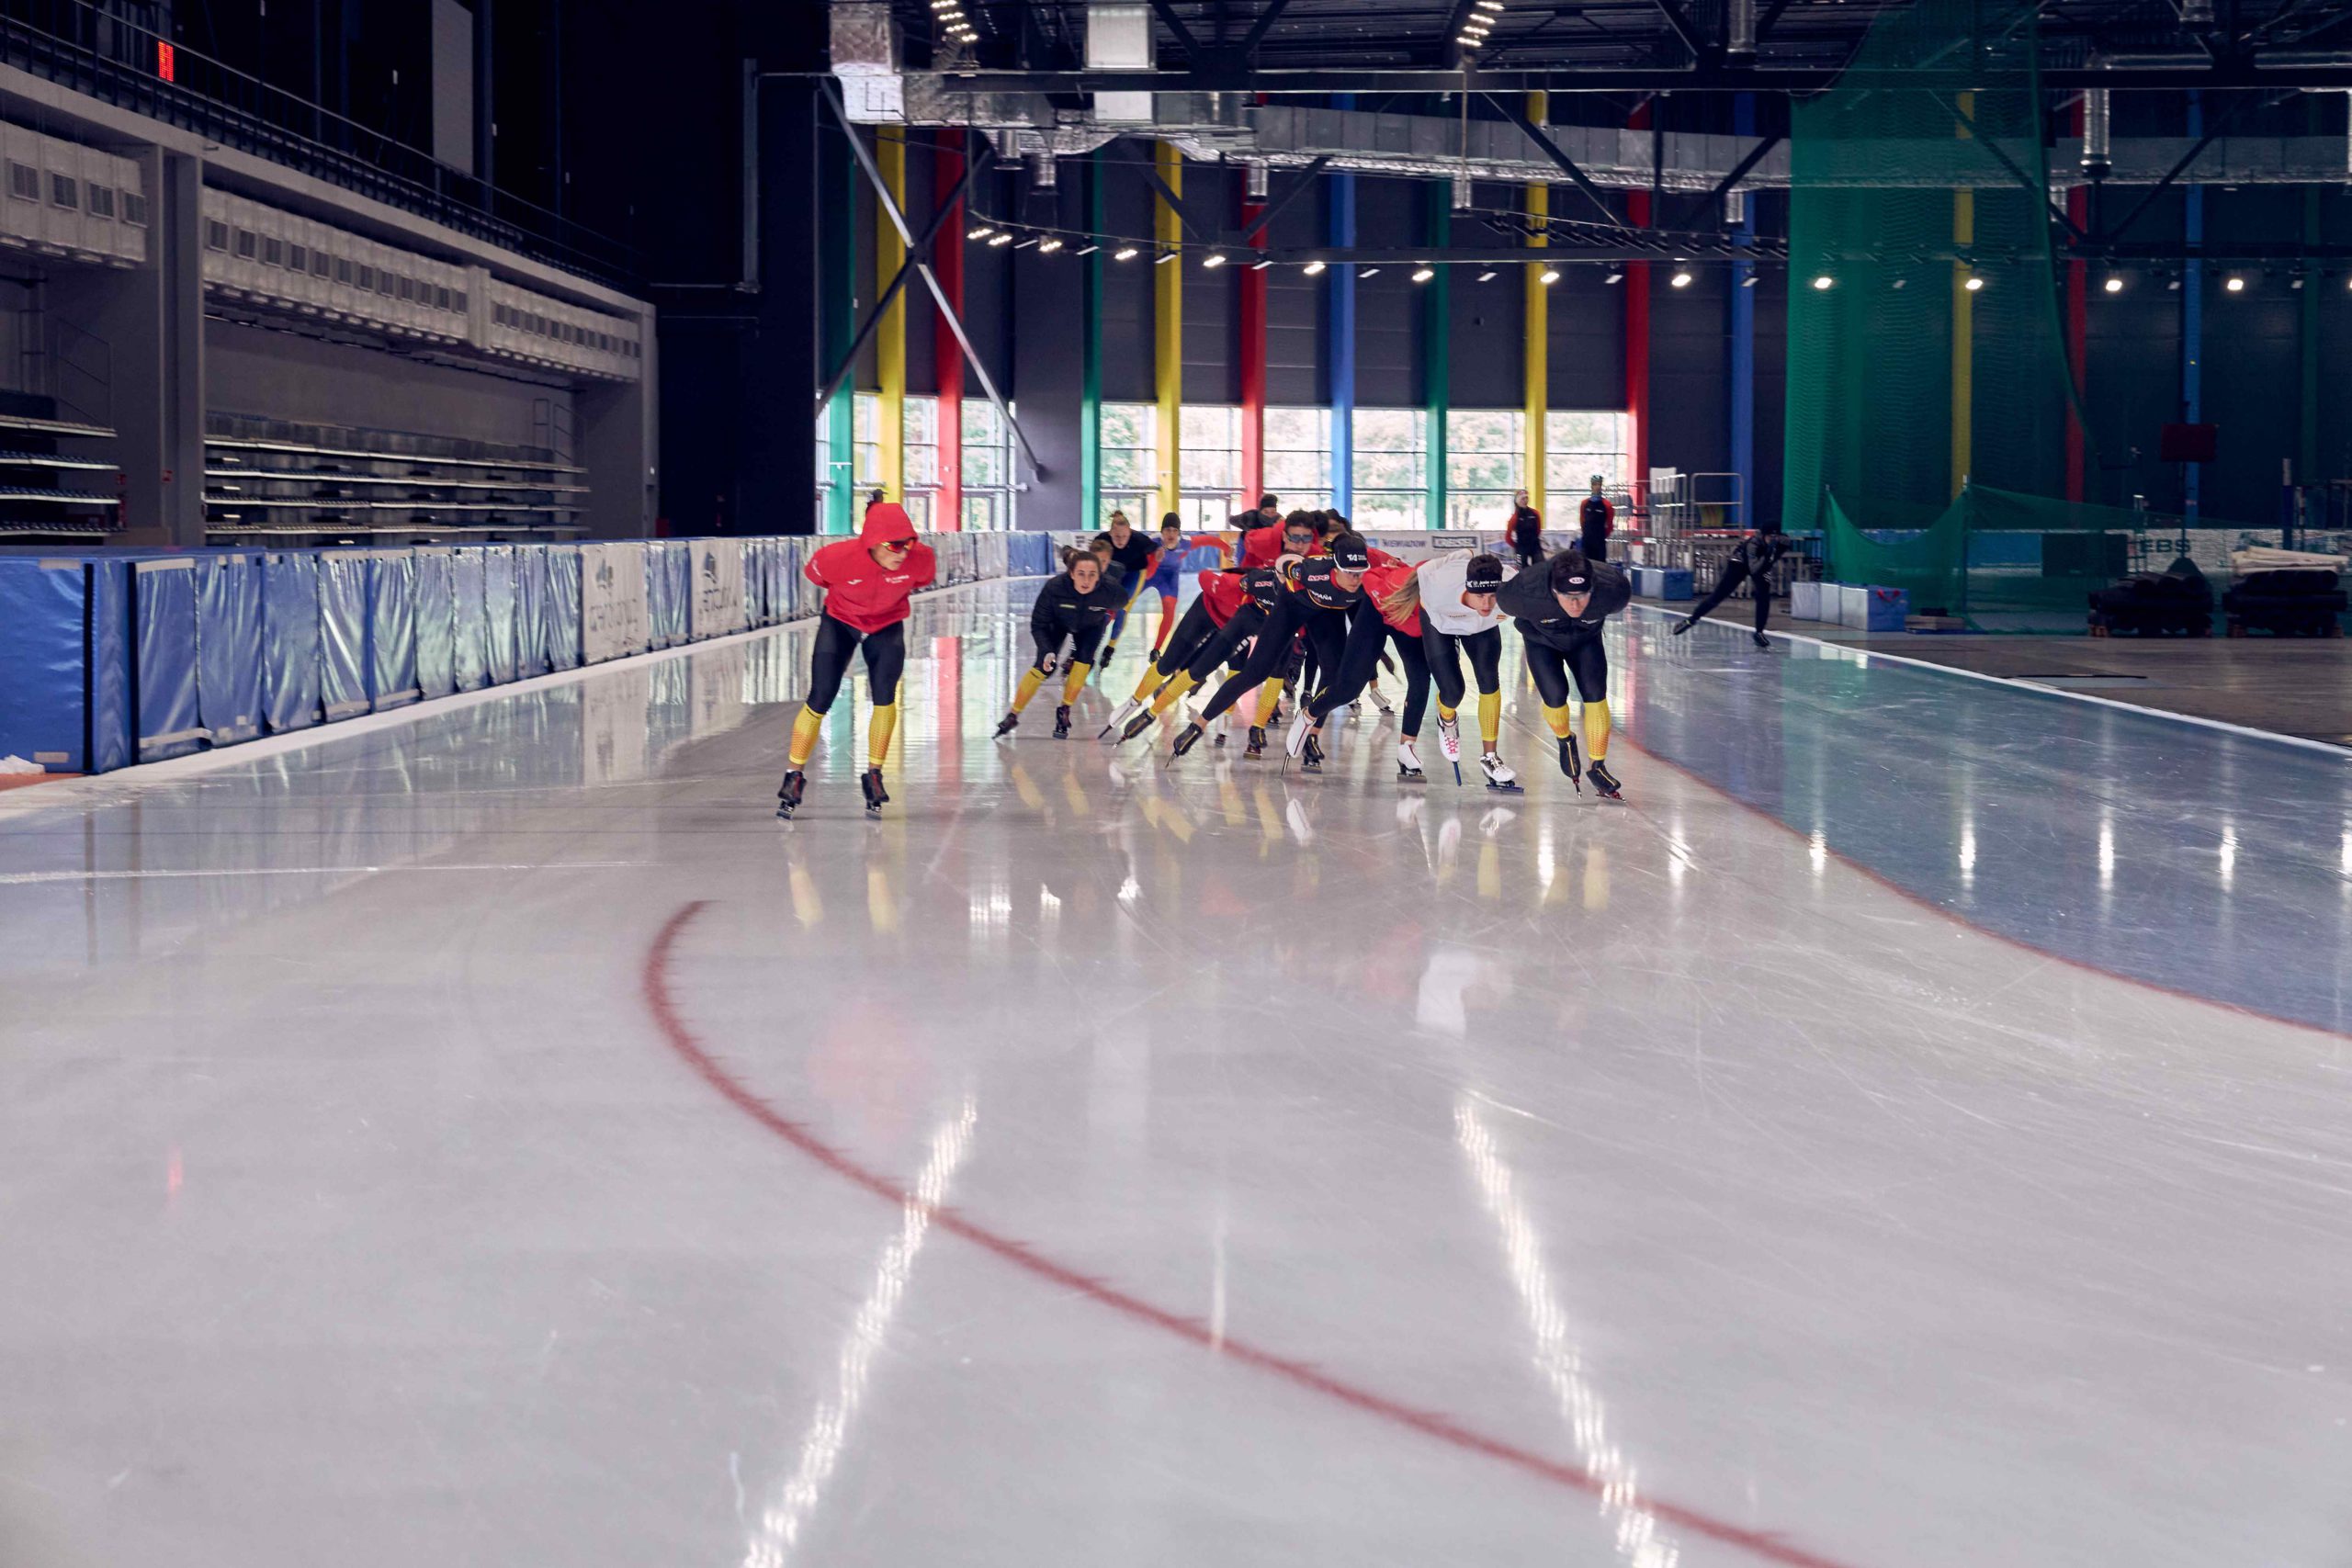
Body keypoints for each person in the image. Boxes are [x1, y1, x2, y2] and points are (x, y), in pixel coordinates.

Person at [776, 502, 938, 819]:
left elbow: (919, 581)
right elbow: (816, 576)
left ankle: (874, 774)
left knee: (884, 697)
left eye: (908, 544)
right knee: (820, 697)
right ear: (873, 543)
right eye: (894, 545)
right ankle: (793, 775)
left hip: (887, 623)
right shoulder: (836, 558)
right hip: (840, 622)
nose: (903, 552)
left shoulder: (922, 560)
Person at [1170, 532, 1373, 765]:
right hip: (1292, 606)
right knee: (1255, 672)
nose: (1356, 579)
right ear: (1335, 566)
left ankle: (1311, 735)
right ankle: (1198, 726)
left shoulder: (1371, 574)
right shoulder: (1313, 572)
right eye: (1350, 572)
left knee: (1332, 673)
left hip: (1326, 612)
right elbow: (1284, 563)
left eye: (1360, 573)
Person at [1280, 549, 1434, 780]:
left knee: (1421, 681)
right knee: (1348, 688)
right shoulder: (1386, 585)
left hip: (1408, 624)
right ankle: (1308, 716)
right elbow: (1367, 564)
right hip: (1376, 613)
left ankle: (1406, 749)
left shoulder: (1446, 608)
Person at [1495, 547, 1631, 801]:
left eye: (1582, 596)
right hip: (1541, 642)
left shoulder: (1614, 590)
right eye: (1568, 597)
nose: (1575, 604)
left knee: (1595, 694)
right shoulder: (1524, 592)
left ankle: (1597, 765)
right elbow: (1495, 598)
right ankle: (1564, 738)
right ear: (1553, 591)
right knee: (1556, 696)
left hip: (1586, 640)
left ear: (1594, 589)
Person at [1113, 564, 1285, 742]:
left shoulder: (1278, 612)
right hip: (1205, 612)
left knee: (1232, 669)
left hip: (1232, 629)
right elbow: (1204, 576)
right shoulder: (1232, 585)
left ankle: (1223, 720)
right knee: (1170, 663)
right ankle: (1134, 702)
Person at [996, 547, 1125, 739]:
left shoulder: (1111, 591)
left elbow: (1122, 605)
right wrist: (1047, 650)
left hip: (1091, 626)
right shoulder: (1054, 588)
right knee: (1043, 668)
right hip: (1058, 623)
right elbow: (1038, 624)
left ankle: (1065, 709)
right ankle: (1013, 714)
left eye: (1092, 575)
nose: (1087, 580)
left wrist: (1104, 615)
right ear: (1071, 574)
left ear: (1100, 576)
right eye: (1081, 574)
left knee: (1083, 662)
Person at [1416, 551, 1520, 790]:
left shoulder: (1512, 587)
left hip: (1482, 628)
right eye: (1480, 596)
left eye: (1493, 596)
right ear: (1467, 588)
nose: (1486, 603)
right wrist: (1460, 555)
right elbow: (1423, 569)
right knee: (1453, 692)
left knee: (1489, 680)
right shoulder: (1438, 589)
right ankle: (1447, 721)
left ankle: (1490, 757)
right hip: (1441, 623)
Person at [1671, 524, 1788, 648]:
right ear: (1763, 536)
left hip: (1762, 565)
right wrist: (1767, 555)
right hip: (1739, 563)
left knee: (1764, 596)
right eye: (1770, 537)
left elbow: (1769, 562)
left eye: (1775, 537)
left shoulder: (1784, 542)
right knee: (1719, 595)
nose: (1773, 540)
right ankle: (1691, 620)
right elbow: (1754, 569)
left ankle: (1759, 632)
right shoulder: (1753, 544)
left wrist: (1769, 557)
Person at [1136, 513, 1233, 660]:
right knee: (1127, 599)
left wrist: (1227, 549)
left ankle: (1156, 650)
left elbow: (1209, 540)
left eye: (1175, 531)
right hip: (1151, 572)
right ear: (1161, 532)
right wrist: (1155, 559)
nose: (1171, 534)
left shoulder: (1186, 543)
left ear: (1179, 533)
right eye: (1167, 530)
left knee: (1169, 610)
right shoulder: (1152, 542)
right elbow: (1148, 574)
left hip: (1170, 577)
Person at [1096, 510, 1161, 664]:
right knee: (1103, 612)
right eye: (1117, 536)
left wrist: (1159, 554)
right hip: (1112, 575)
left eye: (1125, 536)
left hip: (1134, 575)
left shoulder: (1139, 539)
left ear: (1130, 532)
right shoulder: (1102, 540)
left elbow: (1156, 549)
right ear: (1110, 534)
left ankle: (1110, 649)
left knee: (1121, 610)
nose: (1120, 540)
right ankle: (1092, 647)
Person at [1577, 476, 1614, 561]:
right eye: (1595, 484)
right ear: (1591, 486)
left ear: (1601, 486)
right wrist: (1586, 533)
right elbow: (1582, 520)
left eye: (1599, 484)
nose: (1597, 487)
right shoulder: (1584, 503)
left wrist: (1602, 535)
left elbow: (1610, 524)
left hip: (1599, 541)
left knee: (1600, 565)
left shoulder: (1607, 505)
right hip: (1587, 540)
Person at [1504, 490, 1544, 570]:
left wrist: (1533, 540)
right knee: (1520, 570)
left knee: (1541, 568)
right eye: (1522, 499)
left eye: (1526, 498)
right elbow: (1507, 538)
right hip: (1521, 548)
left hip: (1535, 546)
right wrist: (1517, 546)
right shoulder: (1513, 518)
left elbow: (1538, 530)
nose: (1525, 501)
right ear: (1517, 501)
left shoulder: (1535, 513)